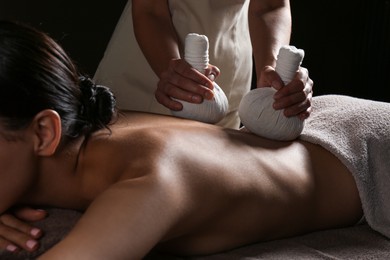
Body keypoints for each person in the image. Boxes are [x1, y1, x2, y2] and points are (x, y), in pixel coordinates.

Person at [2, 21, 390, 259]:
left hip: (371, 158)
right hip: (322, 132)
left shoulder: (147, 188)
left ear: (44, 133)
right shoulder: (99, 135)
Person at [94, 0, 313, 129]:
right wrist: (172, 72)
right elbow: (150, 9)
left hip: (232, 72)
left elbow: (270, 5)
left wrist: (274, 74)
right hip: (152, 64)